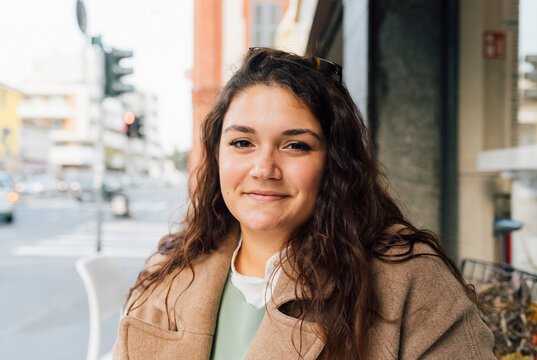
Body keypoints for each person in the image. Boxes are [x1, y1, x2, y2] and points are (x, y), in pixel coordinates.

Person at [113, 48, 495, 359]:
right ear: (216, 156)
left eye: (295, 145)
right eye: (242, 143)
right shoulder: (170, 271)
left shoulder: (410, 281)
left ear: (335, 161)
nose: (264, 169)